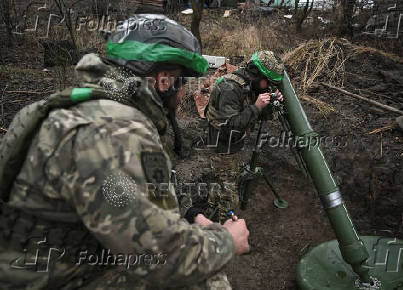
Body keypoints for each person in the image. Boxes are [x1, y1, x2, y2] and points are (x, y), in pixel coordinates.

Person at [0, 15, 249, 289]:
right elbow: (159, 258)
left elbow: (147, 188)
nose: (184, 96)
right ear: (164, 80)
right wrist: (227, 240)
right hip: (55, 279)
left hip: (55, 262)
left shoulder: (89, 107)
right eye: (184, 83)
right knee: (208, 279)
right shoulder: (115, 131)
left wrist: (191, 215)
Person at [205, 50, 285, 154]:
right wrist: (257, 107)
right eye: (269, 82)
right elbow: (230, 128)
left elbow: (261, 116)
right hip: (222, 145)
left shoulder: (251, 84)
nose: (269, 87)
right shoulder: (229, 89)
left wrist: (271, 104)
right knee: (226, 169)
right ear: (256, 74)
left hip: (236, 140)